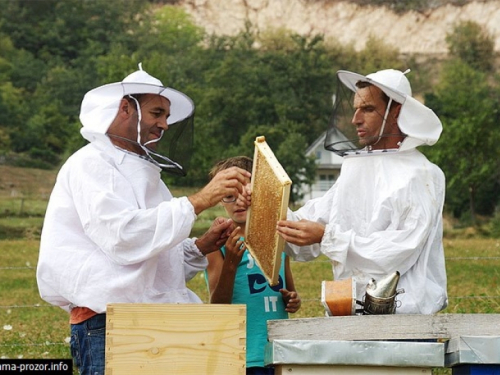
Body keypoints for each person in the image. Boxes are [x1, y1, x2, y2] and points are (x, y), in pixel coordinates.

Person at [36, 64, 251, 375]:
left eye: (166, 117)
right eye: (157, 113)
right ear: (126, 108)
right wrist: (199, 200)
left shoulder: (148, 177)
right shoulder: (92, 163)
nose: (164, 124)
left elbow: (154, 266)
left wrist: (199, 247)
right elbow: (123, 238)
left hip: (151, 320)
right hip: (107, 323)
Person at [276, 68, 448, 314]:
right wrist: (267, 206)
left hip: (405, 323)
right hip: (349, 314)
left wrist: (326, 237)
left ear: (396, 110)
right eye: (355, 108)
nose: (355, 119)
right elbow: (313, 222)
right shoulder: (355, 168)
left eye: (367, 109)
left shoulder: (420, 174)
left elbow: (395, 253)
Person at [205, 156, 301, 375]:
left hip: (280, 352)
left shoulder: (278, 239)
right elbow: (218, 305)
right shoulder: (217, 244)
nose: (238, 202)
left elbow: (290, 292)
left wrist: (293, 300)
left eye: (245, 194)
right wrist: (231, 262)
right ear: (220, 199)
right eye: (229, 196)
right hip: (244, 355)